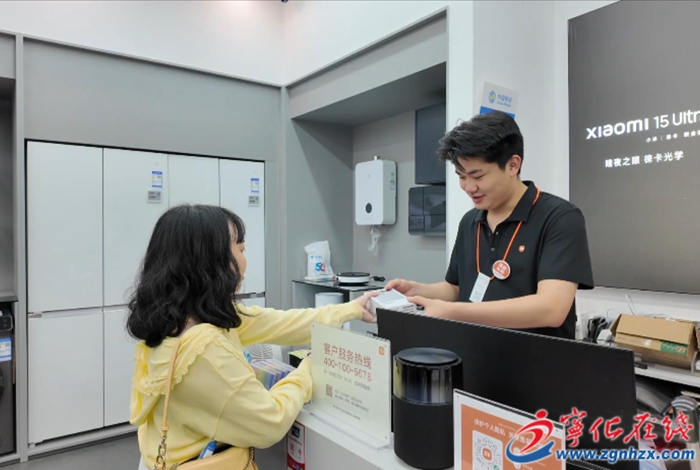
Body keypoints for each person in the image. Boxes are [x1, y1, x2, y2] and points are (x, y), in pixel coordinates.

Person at [128, 205, 377, 469]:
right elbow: (270, 422)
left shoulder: (178, 318)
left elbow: (281, 323)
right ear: (214, 261)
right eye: (241, 250)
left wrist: (352, 309)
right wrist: (308, 370)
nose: (245, 261)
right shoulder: (205, 349)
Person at [387, 111, 593, 338]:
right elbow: (456, 288)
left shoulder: (560, 218)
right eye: (461, 176)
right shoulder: (470, 221)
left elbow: (551, 309)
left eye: (478, 176)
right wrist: (416, 291)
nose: (469, 187)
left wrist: (453, 312)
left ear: (513, 165)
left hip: (537, 358)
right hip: (474, 353)